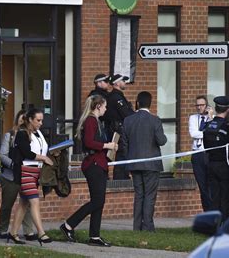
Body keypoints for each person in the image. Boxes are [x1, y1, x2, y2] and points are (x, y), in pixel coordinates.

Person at [60, 94, 117, 247]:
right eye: (104, 106)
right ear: (98, 106)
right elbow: (89, 142)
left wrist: (110, 148)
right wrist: (107, 146)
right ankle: (68, 225)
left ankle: (94, 236)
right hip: (93, 164)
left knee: (99, 201)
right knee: (97, 200)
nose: (106, 109)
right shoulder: (91, 120)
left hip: (99, 163)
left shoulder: (95, 121)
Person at [7, 108, 54, 245]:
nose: (40, 123)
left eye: (41, 120)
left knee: (24, 203)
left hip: (35, 172)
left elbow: (43, 149)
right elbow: (27, 153)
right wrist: (43, 158)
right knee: (34, 201)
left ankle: (13, 232)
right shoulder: (22, 134)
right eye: (38, 120)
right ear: (30, 120)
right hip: (25, 171)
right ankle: (41, 233)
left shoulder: (38, 133)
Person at [122, 91, 167, 231]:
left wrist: (128, 162)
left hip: (134, 163)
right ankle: (148, 227)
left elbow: (124, 144)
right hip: (151, 164)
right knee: (149, 196)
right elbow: (162, 141)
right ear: (150, 103)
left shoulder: (128, 120)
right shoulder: (155, 120)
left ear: (137, 103)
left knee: (139, 195)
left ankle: (137, 227)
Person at [203, 96, 229, 221]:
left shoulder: (208, 126)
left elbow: (206, 146)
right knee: (226, 196)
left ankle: (214, 224)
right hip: (225, 165)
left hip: (211, 164)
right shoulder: (228, 127)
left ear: (216, 109)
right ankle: (226, 223)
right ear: (228, 110)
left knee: (214, 196)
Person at [0, 110, 37, 241]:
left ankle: (28, 231)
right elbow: (3, 155)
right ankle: (3, 229)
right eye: (21, 120)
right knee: (7, 204)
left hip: (25, 174)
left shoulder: (32, 137)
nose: (23, 123)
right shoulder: (10, 135)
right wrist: (13, 165)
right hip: (11, 176)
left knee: (27, 203)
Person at [103, 74, 134, 180]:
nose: (124, 83)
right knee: (122, 153)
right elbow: (126, 114)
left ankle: (122, 176)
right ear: (116, 83)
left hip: (116, 129)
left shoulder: (115, 96)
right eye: (122, 81)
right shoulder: (116, 97)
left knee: (121, 153)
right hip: (118, 130)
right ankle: (121, 178)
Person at [188, 95, 213, 212]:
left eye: (201, 105)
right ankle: (207, 211)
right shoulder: (193, 118)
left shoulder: (212, 119)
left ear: (206, 106)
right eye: (197, 105)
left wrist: (211, 117)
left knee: (211, 185)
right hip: (197, 153)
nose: (199, 107)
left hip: (209, 154)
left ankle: (214, 210)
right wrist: (207, 134)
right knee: (202, 187)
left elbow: (214, 132)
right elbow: (193, 133)